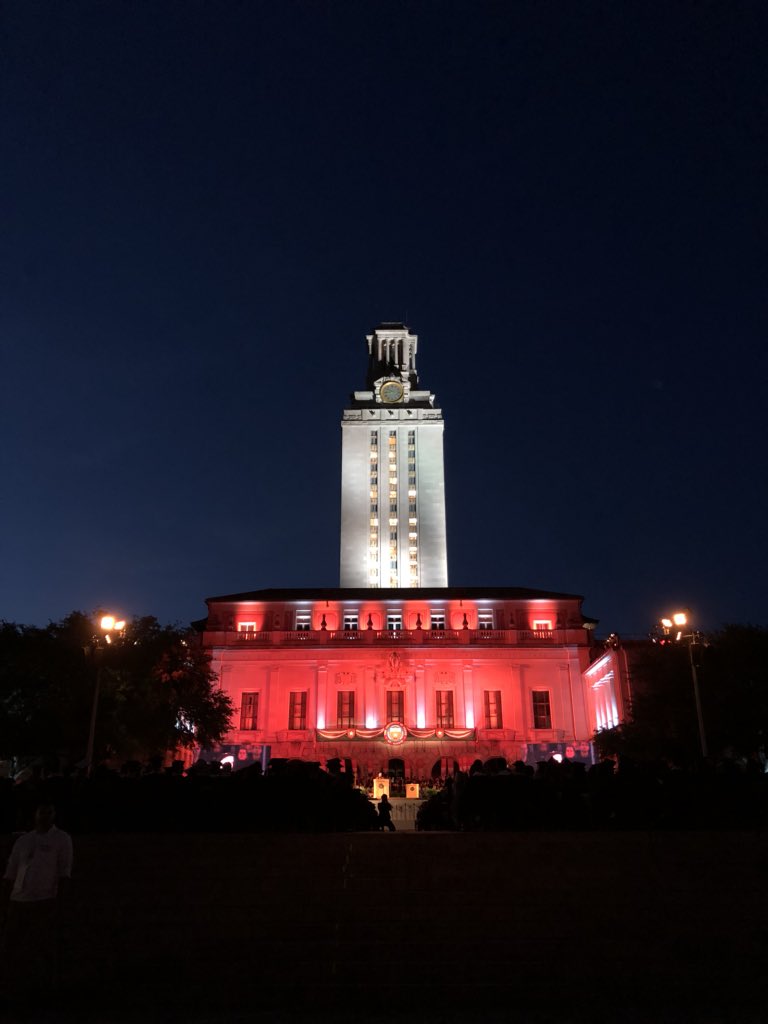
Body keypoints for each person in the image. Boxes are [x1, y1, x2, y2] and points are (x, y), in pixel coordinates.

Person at [1, 803, 73, 995]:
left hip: (43, 899)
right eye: (42, 812)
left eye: (48, 812)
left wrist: (59, 900)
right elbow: (11, 870)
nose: (44, 816)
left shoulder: (61, 839)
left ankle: (46, 986)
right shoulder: (24, 840)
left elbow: (64, 871)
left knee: (43, 945)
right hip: (20, 900)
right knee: (12, 945)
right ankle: (14, 984)